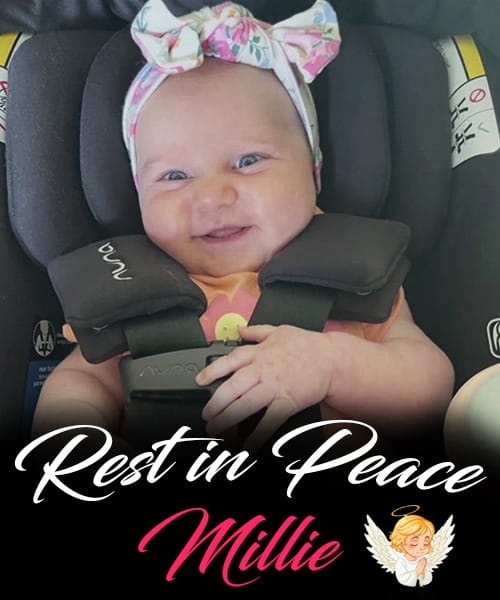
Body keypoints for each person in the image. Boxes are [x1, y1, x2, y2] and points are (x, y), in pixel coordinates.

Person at [31, 0, 455, 451]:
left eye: (248, 161)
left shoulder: (355, 276)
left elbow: (429, 387)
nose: (213, 197)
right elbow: (82, 381)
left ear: (312, 171)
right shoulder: (130, 292)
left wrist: (334, 366)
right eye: (175, 176)